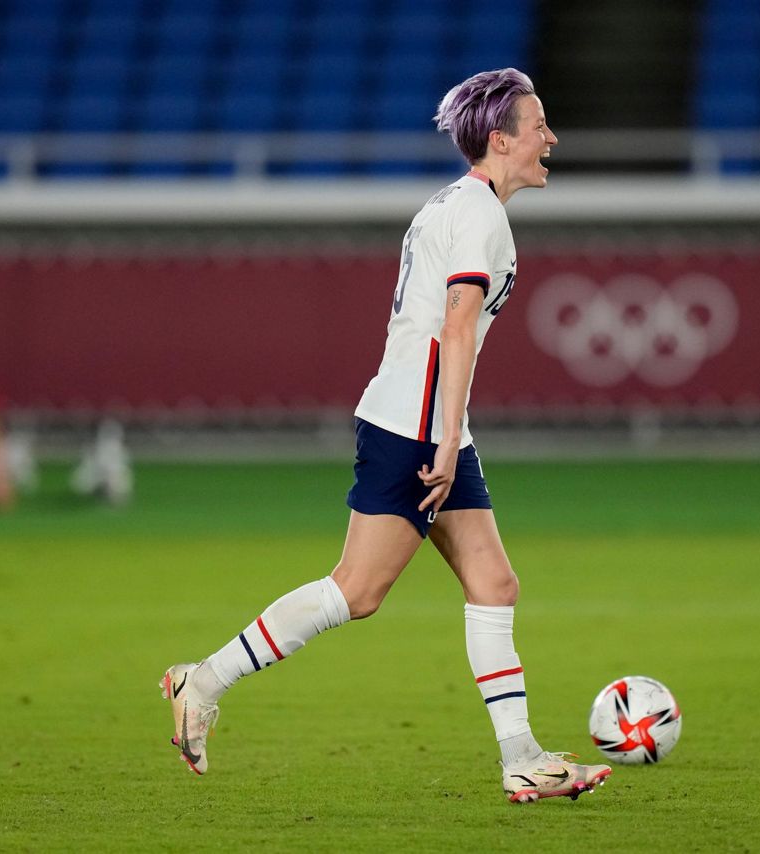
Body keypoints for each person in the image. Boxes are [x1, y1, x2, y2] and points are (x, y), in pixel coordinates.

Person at [160, 69, 611, 804]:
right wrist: (440, 438)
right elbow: (456, 328)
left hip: (430, 422)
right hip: (416, 427)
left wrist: (448, 432)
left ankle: (522, 756)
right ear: (500, 138)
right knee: (358, 590)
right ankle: (200, 681)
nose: (549, 138)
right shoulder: (479, 216)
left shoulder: (457, 205)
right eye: (538, 125)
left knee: (495, 584)